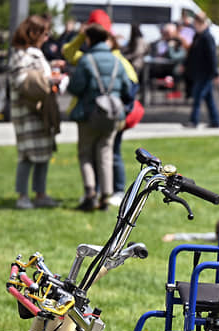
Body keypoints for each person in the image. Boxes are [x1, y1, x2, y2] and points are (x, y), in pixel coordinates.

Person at [63, 11, 140, 207]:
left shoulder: (86, 61)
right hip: (112, 114)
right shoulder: (117, 60)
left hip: (89, 113)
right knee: (106, 153)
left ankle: (90, 192)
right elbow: (126, 88)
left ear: (88, 39)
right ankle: (106, 195)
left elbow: (74, 87)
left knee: (86, 154)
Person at [9, 14, 63, 209]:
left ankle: (40, 194)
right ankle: (22, 196)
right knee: (27, 155)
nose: (47, 37)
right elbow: (20, 81)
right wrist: (47, 80)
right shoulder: (20, 54)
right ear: (33, 33)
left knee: (44, 153)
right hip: (28, 112)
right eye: (45, 33)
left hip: (41, 112)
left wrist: (51, 71)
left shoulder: (34, 53)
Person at [182, 14, 219, 129]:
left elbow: (212, 57)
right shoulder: (198, 36)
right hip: (199, 72)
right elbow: (192, 54)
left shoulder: (207, 37)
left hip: (206, 73)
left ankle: (193, 121)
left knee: (197, 96)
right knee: (209, 99)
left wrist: (215, 73)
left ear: (201, 23)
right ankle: (216, 120)